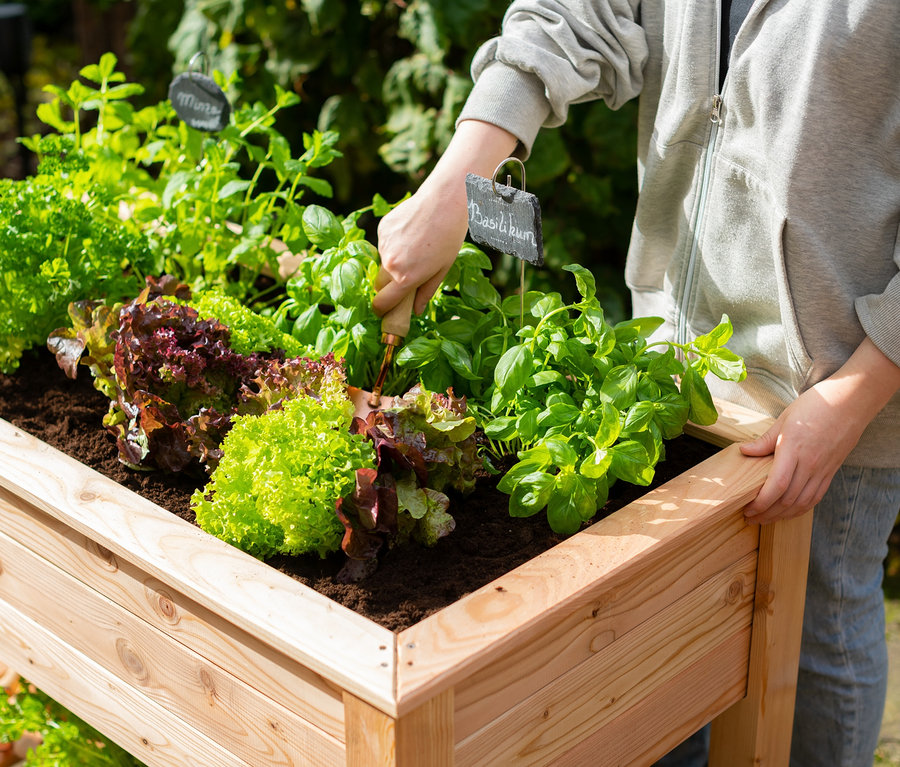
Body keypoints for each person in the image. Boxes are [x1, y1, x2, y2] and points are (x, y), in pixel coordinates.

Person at [373, 1, 900, 765]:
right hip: (675, 366)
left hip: (838, 376)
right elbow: (575, 14)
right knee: (671, 630)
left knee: (816, 630)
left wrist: (855, 394)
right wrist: (459, 179)